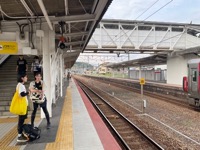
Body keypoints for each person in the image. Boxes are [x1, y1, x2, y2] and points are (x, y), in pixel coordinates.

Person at [17, 74, 30, 142]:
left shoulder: (20, 85)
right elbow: (22, 94)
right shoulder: (21, 85)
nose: (27, 78)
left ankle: (20, 134)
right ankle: (19, 136)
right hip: (22, 106)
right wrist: (28, 92)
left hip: (22, 105)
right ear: (22, 78)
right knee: (21, 120)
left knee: (21, 120)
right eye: (26, 77)